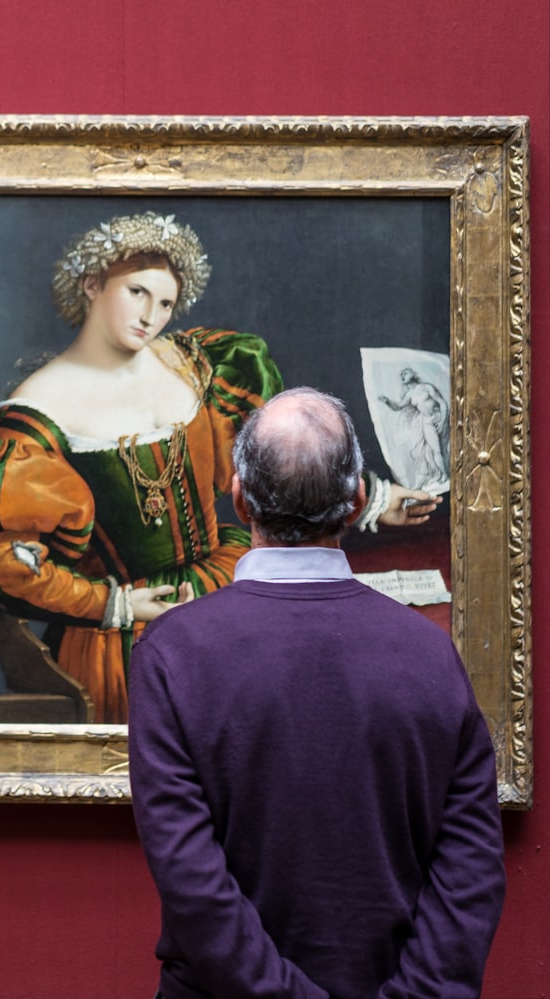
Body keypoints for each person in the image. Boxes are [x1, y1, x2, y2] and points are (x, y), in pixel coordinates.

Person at [0, 213, 434, 724]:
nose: (150, 316)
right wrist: (113, 603)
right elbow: (6, 564)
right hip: (123, 635)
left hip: (226, 585)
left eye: (165, 302)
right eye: (137, 292)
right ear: (92, 284)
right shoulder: (39, 406)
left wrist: (375, 500)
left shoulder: (193, 363)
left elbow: (280, 460)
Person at [128, 387, 505, 998]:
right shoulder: (430, 650)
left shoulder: (171, 653)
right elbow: (470, 872)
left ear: (240, 498)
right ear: (357, 500)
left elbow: (192, 883)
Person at [379, 366, 451, 490]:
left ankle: (449, 474)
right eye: (401, 376)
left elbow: (442, 403)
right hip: (427, 422)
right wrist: (387, 401)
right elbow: (398, 407)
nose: (403, 376)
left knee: (448, 449)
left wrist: (443, 419)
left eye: (405, 372)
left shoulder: (426, 387)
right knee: (436, 451)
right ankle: (444, 475)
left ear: (413, 373)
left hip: (439, 417)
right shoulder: (410, 395)